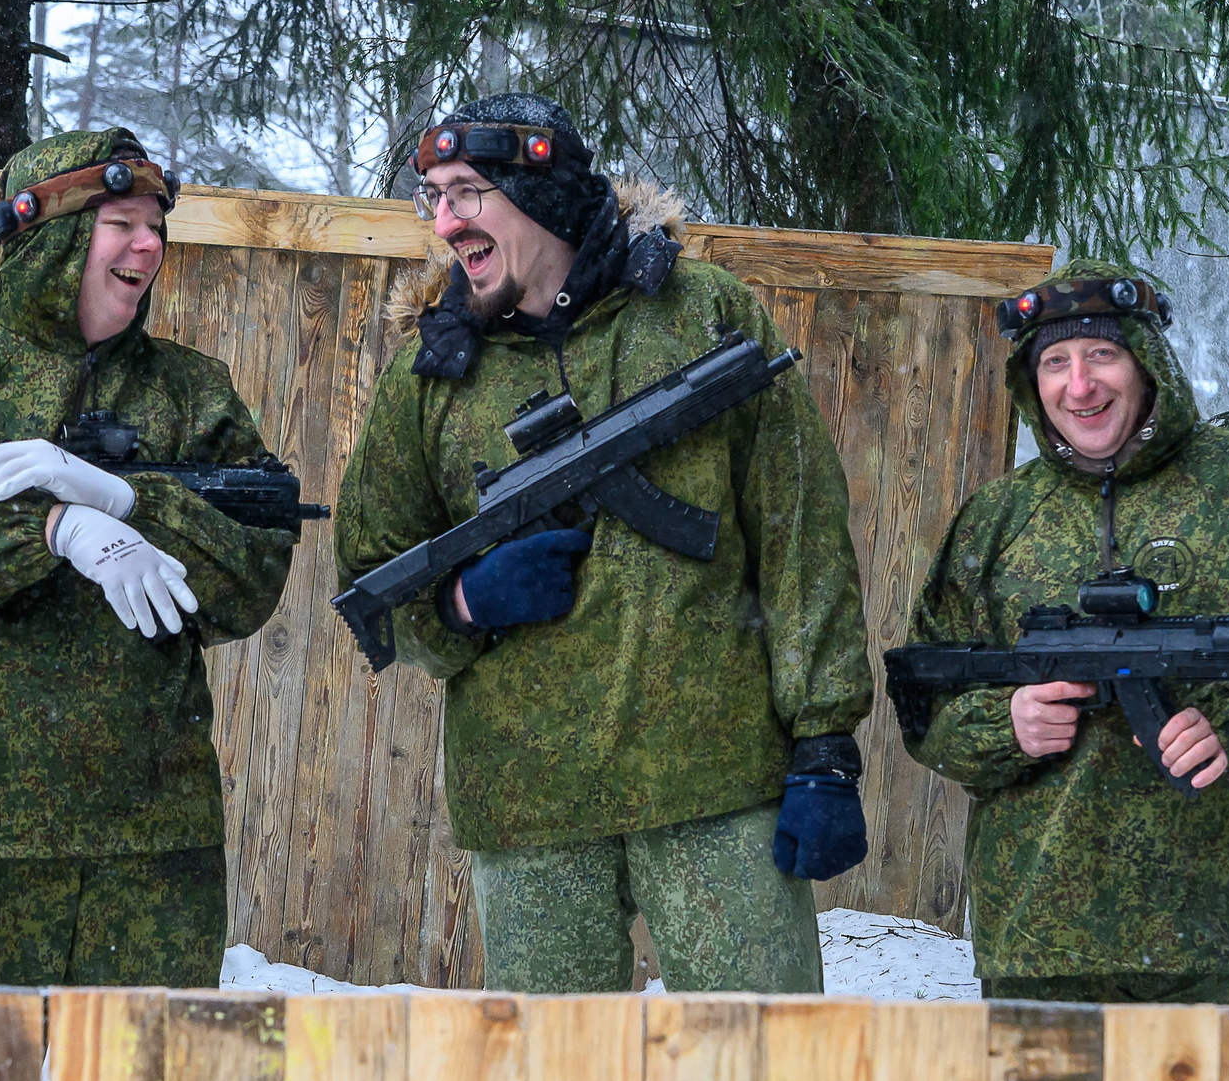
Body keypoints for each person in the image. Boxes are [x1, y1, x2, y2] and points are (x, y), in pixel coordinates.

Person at [332, 94, 873, 994]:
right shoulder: (430, 374)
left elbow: (801, 534)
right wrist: (465, 603)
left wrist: (825, 741)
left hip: (718, 784)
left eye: (466, 193)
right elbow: (368, 581)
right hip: (530, 803)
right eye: (433, 196)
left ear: (539, 193)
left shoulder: (701, 313)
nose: (443, 221)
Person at [0, 129, 296, 987]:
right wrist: (52, 530)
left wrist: (129, 500)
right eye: (120, 222)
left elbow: (252, 578)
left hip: (154, 839)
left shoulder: (190, 391)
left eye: (156, 224)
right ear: (47, 238)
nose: (148, 244)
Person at [902, 258, 1229, 1004]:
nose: (1080, 384)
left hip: (1225, 940)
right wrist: (1007, 724)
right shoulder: (996, 520)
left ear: (1146, 360)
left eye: (1102, 355)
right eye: (1055, 362)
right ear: (1031, 382)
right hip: (1038, 945)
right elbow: (927, 697)